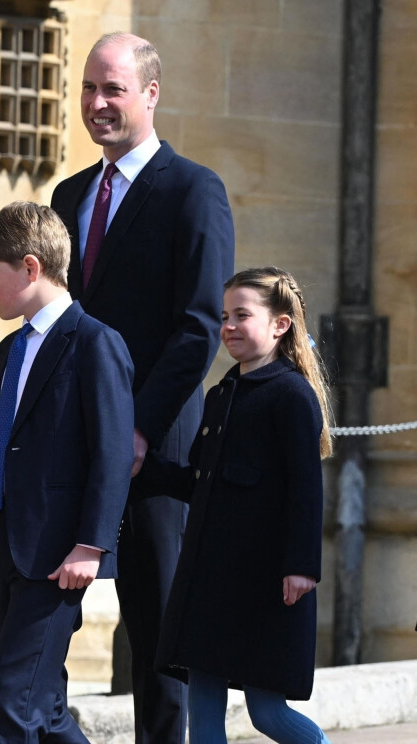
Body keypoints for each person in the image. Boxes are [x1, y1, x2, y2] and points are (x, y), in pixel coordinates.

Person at [51, 32, 235, 744]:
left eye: (114, 90)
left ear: (150, 94)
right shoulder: (68, 196)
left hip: (154, 455)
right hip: (72, 448)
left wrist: (135, 428)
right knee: (42, 621)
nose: (98, 104)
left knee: (159, 632)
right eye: (90, 89)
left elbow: (196, 329)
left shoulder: (194, 190)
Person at [0, 201, 135, 744]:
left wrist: (92, 546)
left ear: (30, 268)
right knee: (44, 707)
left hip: (55, 555)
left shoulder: (96, 343)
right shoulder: (9, 350)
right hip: (2, 542)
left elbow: (112, 454)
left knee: (12, 704)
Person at [145, 267, 333, 743]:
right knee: (202, 708)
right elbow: (199, 482)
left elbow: (306, 490)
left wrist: (301, 567)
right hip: (209, 581)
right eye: (224, 316)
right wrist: (140, 467)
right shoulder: (221, 394)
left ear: (280, 324)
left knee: (267, 712)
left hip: (266, 581)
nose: (228, 326)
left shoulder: (291, 396)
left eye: (241, 315)